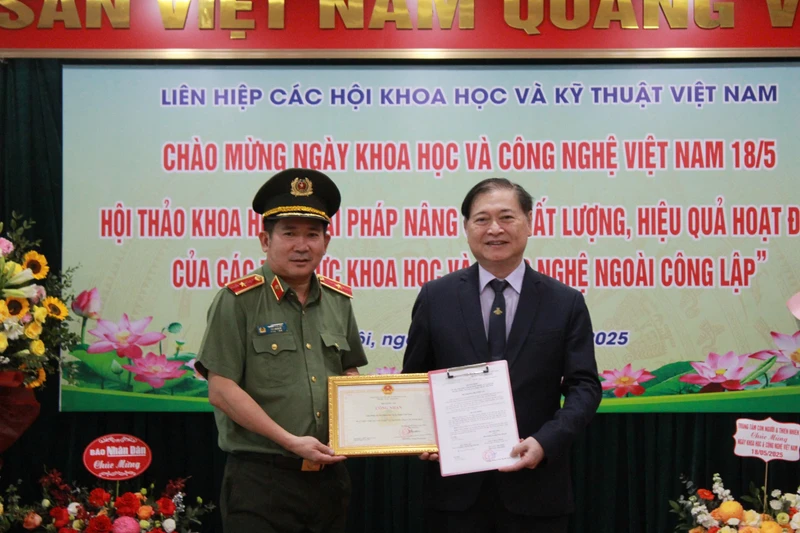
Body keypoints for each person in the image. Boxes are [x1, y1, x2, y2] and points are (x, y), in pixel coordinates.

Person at [402, 178, 601, 533]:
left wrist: (545, 442)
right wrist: (424, 436)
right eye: (482, 219)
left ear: (529, 222)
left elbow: (584, 387)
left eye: (506, 217)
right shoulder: (436, 297)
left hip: (536, 491)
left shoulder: (564, 301)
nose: (494, 229)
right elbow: (414, 381)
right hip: (454, 496)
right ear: (466, 227)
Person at [195, 168, 368, 533]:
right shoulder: (238, 300)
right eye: (289, 233)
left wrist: (364, 425)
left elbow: (349, 372)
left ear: (326, 241)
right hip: (262, 480)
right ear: (265, 239)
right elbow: (221, 389)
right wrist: (291, 441)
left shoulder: (338, 301)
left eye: (312, 234)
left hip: (329, 479)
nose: (301, 245)